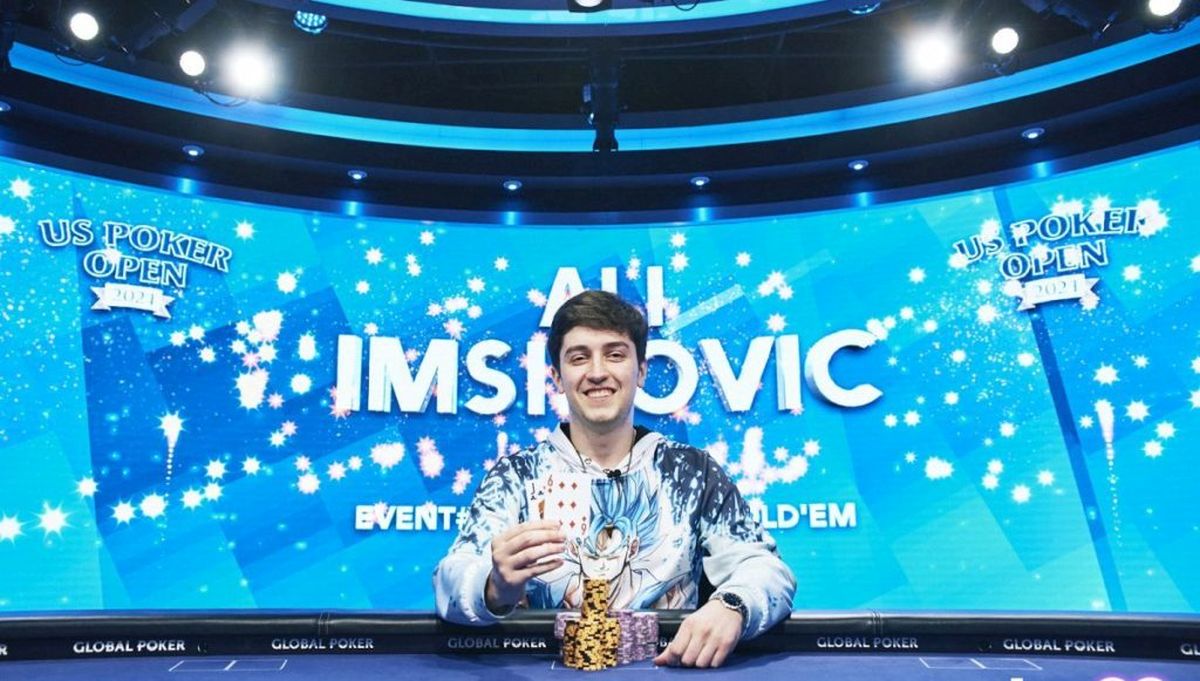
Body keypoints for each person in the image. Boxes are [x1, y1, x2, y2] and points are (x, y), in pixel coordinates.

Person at [434, 290, 795, 668]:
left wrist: (733, 604)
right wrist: (494, 586)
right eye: (579, 357)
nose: (597, 372)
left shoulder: (691, 471)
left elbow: (767, 569)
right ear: (557, 377)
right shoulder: (516, 476)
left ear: (641, 371)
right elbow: (450, 578)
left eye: (615, 354)